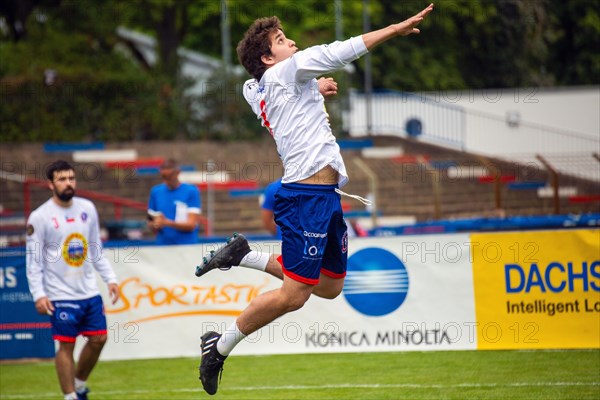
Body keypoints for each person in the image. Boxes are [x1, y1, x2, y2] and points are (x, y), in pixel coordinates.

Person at [195, 4, 434, 395]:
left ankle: (244, 255)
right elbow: (339, 51)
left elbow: (253, 87)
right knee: (294, 296)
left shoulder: (264, 85)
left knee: (329, 286)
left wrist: (313, 88)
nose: (291, 42)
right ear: (268, 59)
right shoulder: (285, 72)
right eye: (280, 41)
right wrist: (394, 29)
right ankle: (218, 348)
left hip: (323, 197)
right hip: (306, 198)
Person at [25, 160, 120, 400]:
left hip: (88, 291)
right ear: (51, 184)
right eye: (62, 179)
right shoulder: (40, 217)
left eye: (71, 178)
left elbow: (95, 248)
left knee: (100, 338)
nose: (68, 183)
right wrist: (38, 294)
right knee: (66, 346)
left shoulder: (87, 208)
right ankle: (70, 397)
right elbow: (33, 261)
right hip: (60, 294)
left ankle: (78, 384)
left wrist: (110, 278)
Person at [147, 158, 202, 245]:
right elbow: (150, 222)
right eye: (163, 176)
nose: (166, 180)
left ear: (178, 172)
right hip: (163, 246)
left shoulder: (191, 191)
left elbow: (191, 225)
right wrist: (155, 224)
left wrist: (167, 222)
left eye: (169, 176)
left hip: (187, 246)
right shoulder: (156, 192)